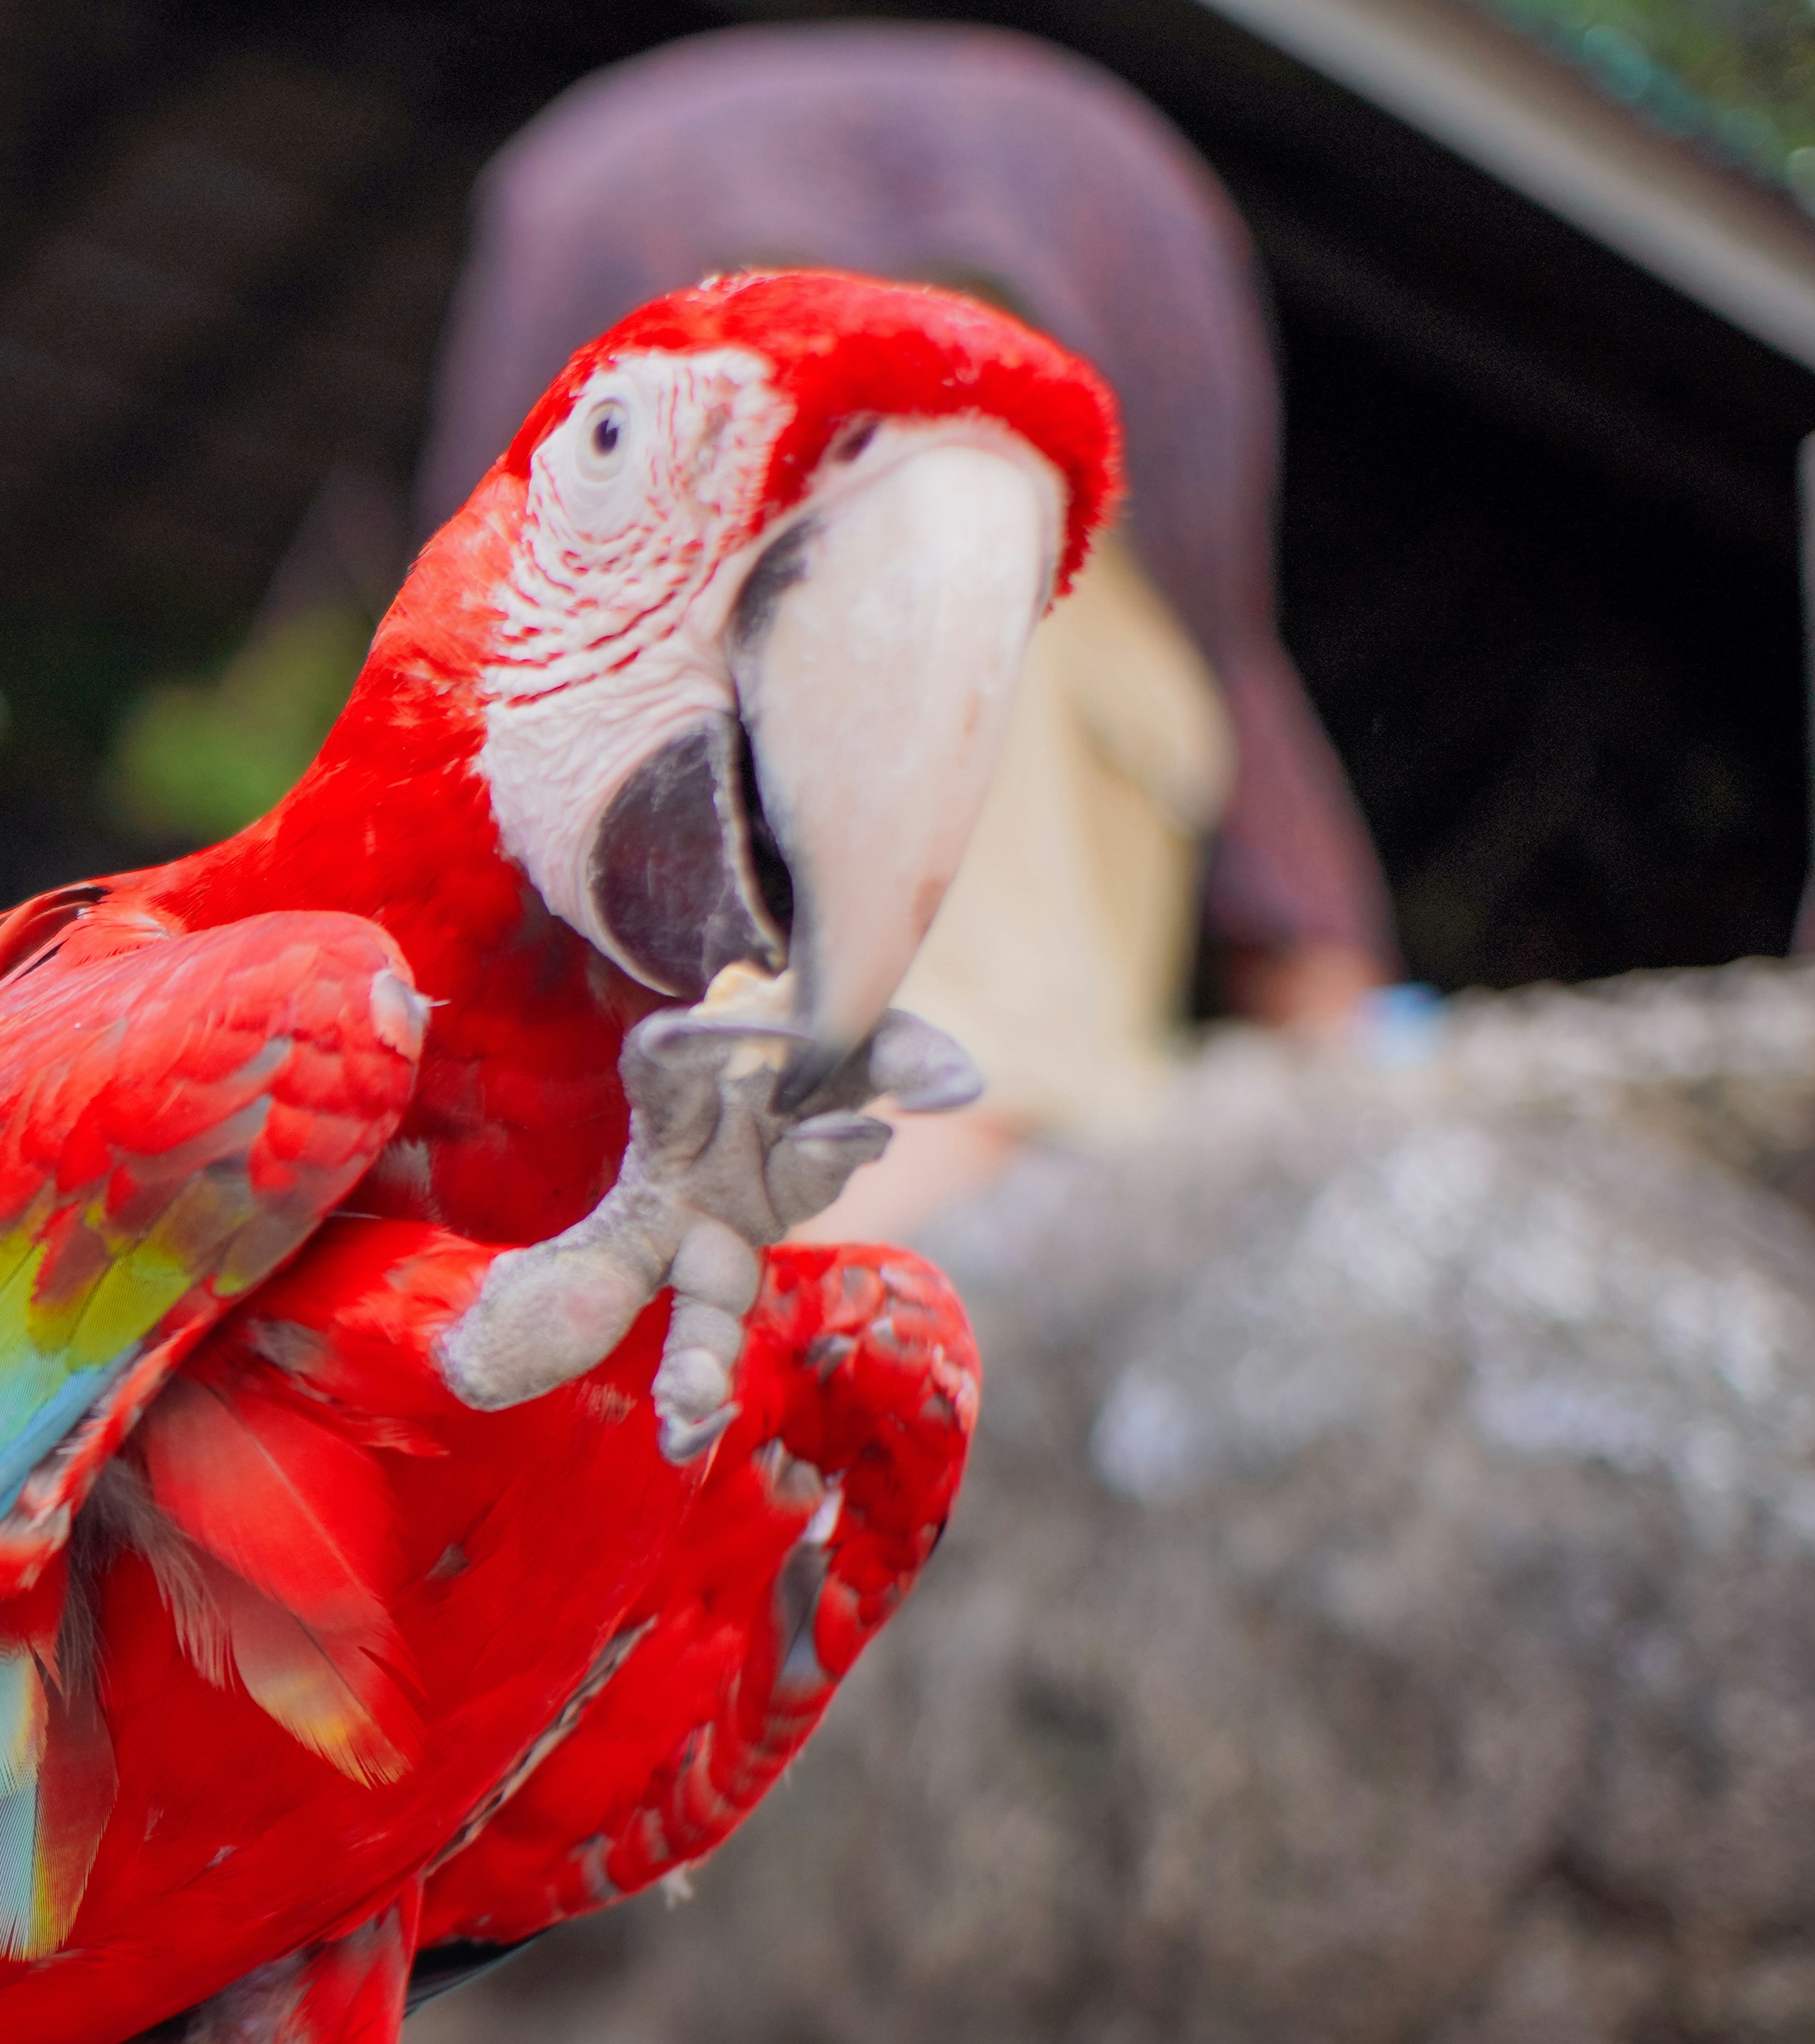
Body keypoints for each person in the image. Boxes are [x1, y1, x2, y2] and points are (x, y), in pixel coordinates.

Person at [417, 24, 1400, 1241]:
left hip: (946, 522)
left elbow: (483, 631)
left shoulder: (607, 177)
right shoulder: (1078, 186)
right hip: (916, 509)